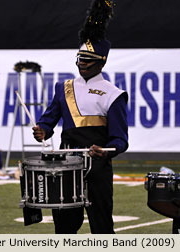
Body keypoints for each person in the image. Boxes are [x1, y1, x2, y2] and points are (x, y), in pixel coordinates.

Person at [32, 0, 128, 234]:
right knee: (64, 227)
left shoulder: (113, 94)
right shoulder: (63, 87)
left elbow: (120, 140)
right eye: (81, 59)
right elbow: (49, 120)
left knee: (102, 225)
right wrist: (42, 130)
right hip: (66, 164)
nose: (83, 64)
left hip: (97, 166)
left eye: (89, 61)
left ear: (102, 62)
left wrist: (104, 151)